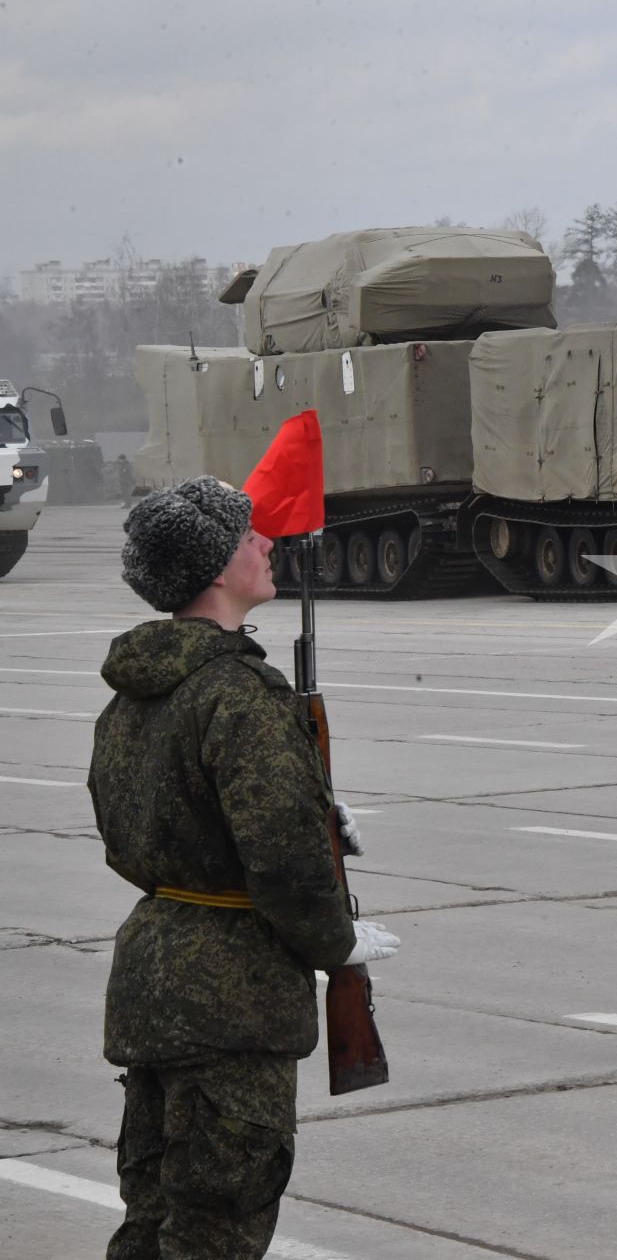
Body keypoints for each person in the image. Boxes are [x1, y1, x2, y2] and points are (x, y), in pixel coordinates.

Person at [89, 476, 400, 1260]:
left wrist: (314, 810)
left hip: (152, 980)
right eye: (247, 536)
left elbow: (139, 829)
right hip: (230, 999)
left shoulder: (133, 695)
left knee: (152, 1222)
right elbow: (285, 860)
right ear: (214, 567)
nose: (265, 545)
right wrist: (336, 940)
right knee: (215, 1232)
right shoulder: (239, 692)